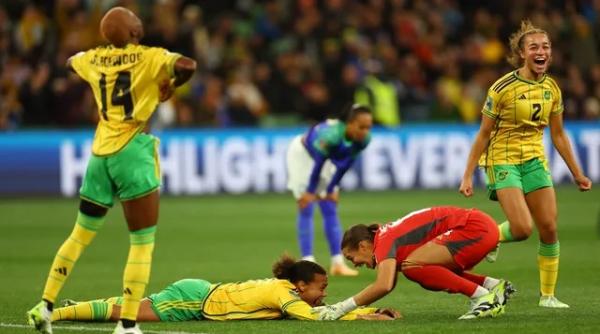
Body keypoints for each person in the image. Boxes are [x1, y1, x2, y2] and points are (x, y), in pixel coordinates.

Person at [27, 7, 197, 334]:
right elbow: (188, 65)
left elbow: (69, 62)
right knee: (141, 242)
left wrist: (98, 56)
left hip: (99, 153)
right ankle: (128, 325)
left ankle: (45, 305)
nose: (138, 18)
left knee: (79, 236)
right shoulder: (149, 56)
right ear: (132, 31)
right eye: (133, 18)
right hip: (133, 150)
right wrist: (173, 83)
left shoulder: (94, 58)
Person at [458, 20, 592, 308]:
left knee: (549, 228)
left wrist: (578, 174)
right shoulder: (502, 88)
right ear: (522, 53)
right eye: (534, 47)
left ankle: (548, 296)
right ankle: (490, 236)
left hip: (534, 160)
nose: (541, 51)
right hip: (502, 158)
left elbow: (558, 134)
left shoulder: (552, 89)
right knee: (521, 229)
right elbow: (483, 134)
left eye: (545, 47)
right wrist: (467, 175)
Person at [50, 255, 400, 322]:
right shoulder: (285, 296)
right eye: (321, 287)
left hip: (201, 292)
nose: (324, 293)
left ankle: (71, 305)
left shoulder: (286, 290)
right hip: (194, 301)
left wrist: (368, 311)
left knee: (127, 305)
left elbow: (318, 309)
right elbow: (317, 318)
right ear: (300, 285)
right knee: (125, 312)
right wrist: (366, 315)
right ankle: (58, 312)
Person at [314, 206, 515, 320]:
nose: (355, 264)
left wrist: (340, 309)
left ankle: (483, 297)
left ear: (364, 246)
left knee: (413, 267)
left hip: (475, 229)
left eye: (352, 258)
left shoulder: (383, 241)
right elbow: (389, 283)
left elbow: (383, 285)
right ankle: (492, 286)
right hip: (480, 226)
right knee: (418, 266)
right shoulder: (386, 238)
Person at [286, 104, 373, 276]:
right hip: (302, 155)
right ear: (349, 123)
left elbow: (345, 165)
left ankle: (337, 263)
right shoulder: (331, 136)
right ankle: (308, 262)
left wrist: (332, 187)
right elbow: (318, 165)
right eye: (361, 127)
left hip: (323, 159)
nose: (365, 131)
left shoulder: (363, 139)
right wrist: (310, 191)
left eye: (368, 127)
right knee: (306, 206)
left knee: (330, 205)